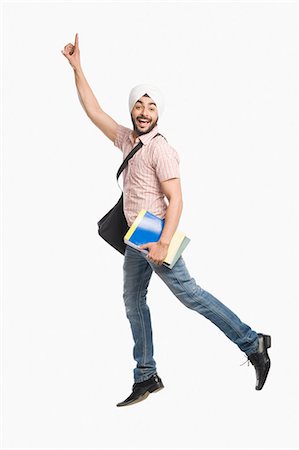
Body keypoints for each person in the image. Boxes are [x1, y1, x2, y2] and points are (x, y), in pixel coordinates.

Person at [61, 33, 271, 407]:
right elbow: (93, 111)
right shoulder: (127, 140)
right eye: (139, 105)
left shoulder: (162, 150)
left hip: (156, 232)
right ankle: (146, 374)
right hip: (134, 237)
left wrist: (162, 241)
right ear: (132, 112)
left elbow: (176, 200)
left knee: (191, 295)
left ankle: (252, 342)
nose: (144, 111)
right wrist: (78, 68)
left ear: (159, 113)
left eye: (151, 106)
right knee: (133, 300)